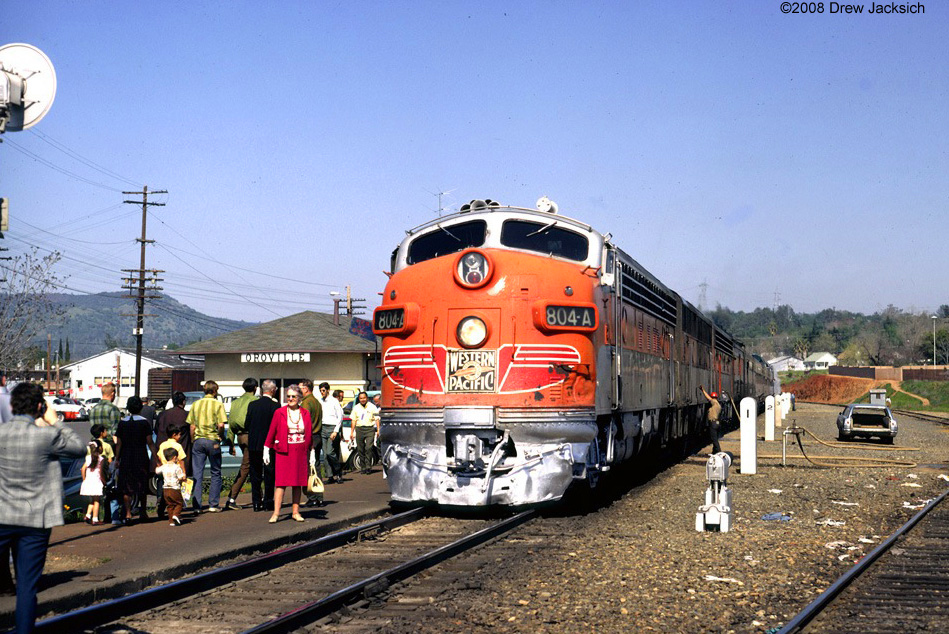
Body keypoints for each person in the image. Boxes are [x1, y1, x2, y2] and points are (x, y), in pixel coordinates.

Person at [0, 382, 85, 633]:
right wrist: (54, 420)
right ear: (39, 406)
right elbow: (78, 447)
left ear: (12, 406)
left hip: (2, 515)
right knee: (27, 586)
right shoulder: (47, 436)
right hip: (35, 521)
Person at [264, 384, 313, 523]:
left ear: (299, 398)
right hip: (284, 451)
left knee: (297, 482)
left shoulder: (305, 413)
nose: (290, 399)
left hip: (300, 451)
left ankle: (295, 512)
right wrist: (266, 448)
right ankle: (276, 513)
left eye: (293, 396)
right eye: (288, 396)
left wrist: (312, 451)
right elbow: (272, 431)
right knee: (281, 483)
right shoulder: (279, 412)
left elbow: (309, 433)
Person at [187, 380, 227, 513]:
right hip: (212, 440)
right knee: (215, 472)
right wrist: (220, 436)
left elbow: (191, 426)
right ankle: (213, 504)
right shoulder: (218, 404)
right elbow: (221, 425)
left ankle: (197, 506)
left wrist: (193, 439)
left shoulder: (196, 404)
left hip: (199, 440)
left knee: (197, 473)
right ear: (215, 391)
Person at [115, 396, 157, 524]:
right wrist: (156, 457)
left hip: (126, 456)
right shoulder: (144, 422)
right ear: (140, 407)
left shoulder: (122, 423)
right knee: (142, 483)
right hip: (140, 455)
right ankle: (143, 513)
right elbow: (150, 442)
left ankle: (128, 513)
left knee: (127, 485)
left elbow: (119, 443)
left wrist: (117, 459)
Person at [88, 383, 122, 524]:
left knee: (98, 481)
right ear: (112, 393)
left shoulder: (93, 409)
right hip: (109, 449)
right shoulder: (113, 409)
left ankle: (98, 514)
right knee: (111, 482)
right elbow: (115, 433)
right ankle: (112, 515)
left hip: (95, 449)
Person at [224, 378, 258, 510]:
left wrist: (230, 443)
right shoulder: (255, 401)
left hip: (239, 436)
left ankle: (256, 496)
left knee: (249, 465)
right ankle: (231, 498)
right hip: (251, 436)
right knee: (247, 467)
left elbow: (231, 423)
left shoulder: (235, 403)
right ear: (255, 388)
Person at [246, 380, 280, 512]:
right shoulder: (275, 405)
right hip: (269, 444)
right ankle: (268, 501)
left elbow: (247, 423)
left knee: (255, 473)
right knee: (269, 473)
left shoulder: (252, 405)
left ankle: (256, 502)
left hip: (254, 443)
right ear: (272, 390)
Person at [298, 379, 323, 507]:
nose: (298, 391)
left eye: (300, 388)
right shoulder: (317, 402)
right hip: (317, 435)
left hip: (310, 436)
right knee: (316, 466)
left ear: (306, 389)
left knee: (308, 467)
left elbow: (303, 421)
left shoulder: (307, 403)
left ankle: (312, 496)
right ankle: (319, 496)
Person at [156, 392, 191, 477]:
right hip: (180, 454)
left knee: (162, 481)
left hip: (163, 456)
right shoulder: (186, 415)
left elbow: (156, 430)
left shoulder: (162, 414)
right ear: (183, 402)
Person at [156, 425, 187, 520]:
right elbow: (181, 460)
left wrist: (161, 466)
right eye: (179, 435)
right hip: (174, 471)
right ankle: (176, 513)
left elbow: (159, 457)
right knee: (175, 493)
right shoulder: (178, 446)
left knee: (164, 492)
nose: (180, 437)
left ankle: (161, 509)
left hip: (164, 470)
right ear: (174, 435)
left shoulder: (162, 445)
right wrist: (184, 473)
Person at [318, 382, 344, 484]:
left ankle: (338, 471)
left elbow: (340, 416)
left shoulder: (334, 401)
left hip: (332, 428)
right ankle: (330, 476)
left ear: (328, 390)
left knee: (330, 452)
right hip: (323, 427)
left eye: (323, 390)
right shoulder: (320, 401)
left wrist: (336, 431)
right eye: (320, 391)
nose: (322, 392)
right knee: (325, 455)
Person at [350, 391, 380, 474]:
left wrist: (378, 430)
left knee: (368, 448)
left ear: (366, 398)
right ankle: (362, 467)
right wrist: (352, 432)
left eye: (364, 398)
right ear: (359, 399)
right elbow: (353, 420)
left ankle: (368, 466)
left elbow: (377, 419)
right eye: (361, 398)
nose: (362, 400)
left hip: (370, 429)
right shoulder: (356, 407)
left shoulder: (372, 407)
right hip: (359, 429)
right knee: (360, 449)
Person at [155, 447, 186, 526]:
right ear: (175, 457)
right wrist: (183, 477)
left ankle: (171, 520)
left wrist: (158, 465)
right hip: (174, 488)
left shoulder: (164, 466)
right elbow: (180, 476)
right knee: (179, 503)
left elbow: (157, 471)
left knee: (170, 505)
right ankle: (176, 515)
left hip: (165, 489)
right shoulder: (177, 467)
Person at [80, 441, 106, 525]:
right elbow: (101, 472)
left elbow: (83, 469)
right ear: (99, 448)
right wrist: (104, 481)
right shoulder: (101, 459)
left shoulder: (88, 458)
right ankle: (95, 519)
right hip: (96, 481)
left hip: (89, 481)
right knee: (97, 501)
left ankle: (87, 515)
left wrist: (84, 479)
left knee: (92, 500)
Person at [699, 385, 723, 455]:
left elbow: (709, 398)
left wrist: (703, 390)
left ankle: (719, 452)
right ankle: (714, 452)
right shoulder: (718, 405)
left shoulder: (714, 403)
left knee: (714, 439)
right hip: (717, 423)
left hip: (713, 423)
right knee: (714, 438)